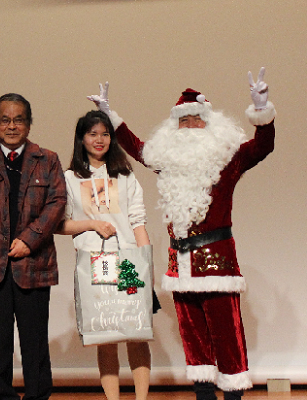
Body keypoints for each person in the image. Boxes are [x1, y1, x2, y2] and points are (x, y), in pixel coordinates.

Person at [88, 67, 276, 400]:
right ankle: (203, 393)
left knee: (226, 334)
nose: (189, 127)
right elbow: (137, 147)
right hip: (180, 265)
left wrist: (261, 110)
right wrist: (109, 115)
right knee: (192, 334)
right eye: (183, 121)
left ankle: (233, 394)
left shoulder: (228, 159)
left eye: (196, 120)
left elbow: (262, 147)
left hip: (217, 263)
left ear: (210, 124)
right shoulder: (168, 162)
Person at [0, 93, 67, 400]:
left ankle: (37, 395)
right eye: (5, 120)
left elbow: (57, 202)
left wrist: (29, 241)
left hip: (34, 261)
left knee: (35, 341)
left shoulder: (47, 159)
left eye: (19, 119)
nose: (12, 126)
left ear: (29, 124)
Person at [57, 110, 155, 400]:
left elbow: (138, 220)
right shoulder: (70, 178)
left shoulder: (124, 175)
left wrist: (146, 262)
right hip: (96, 262)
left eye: (105, 134)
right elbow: (60, 224)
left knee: (136, 332)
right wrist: (91, 224)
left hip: (129, 260)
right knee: (106, 335)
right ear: (81, 138)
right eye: (92, 134)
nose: (99, 140)